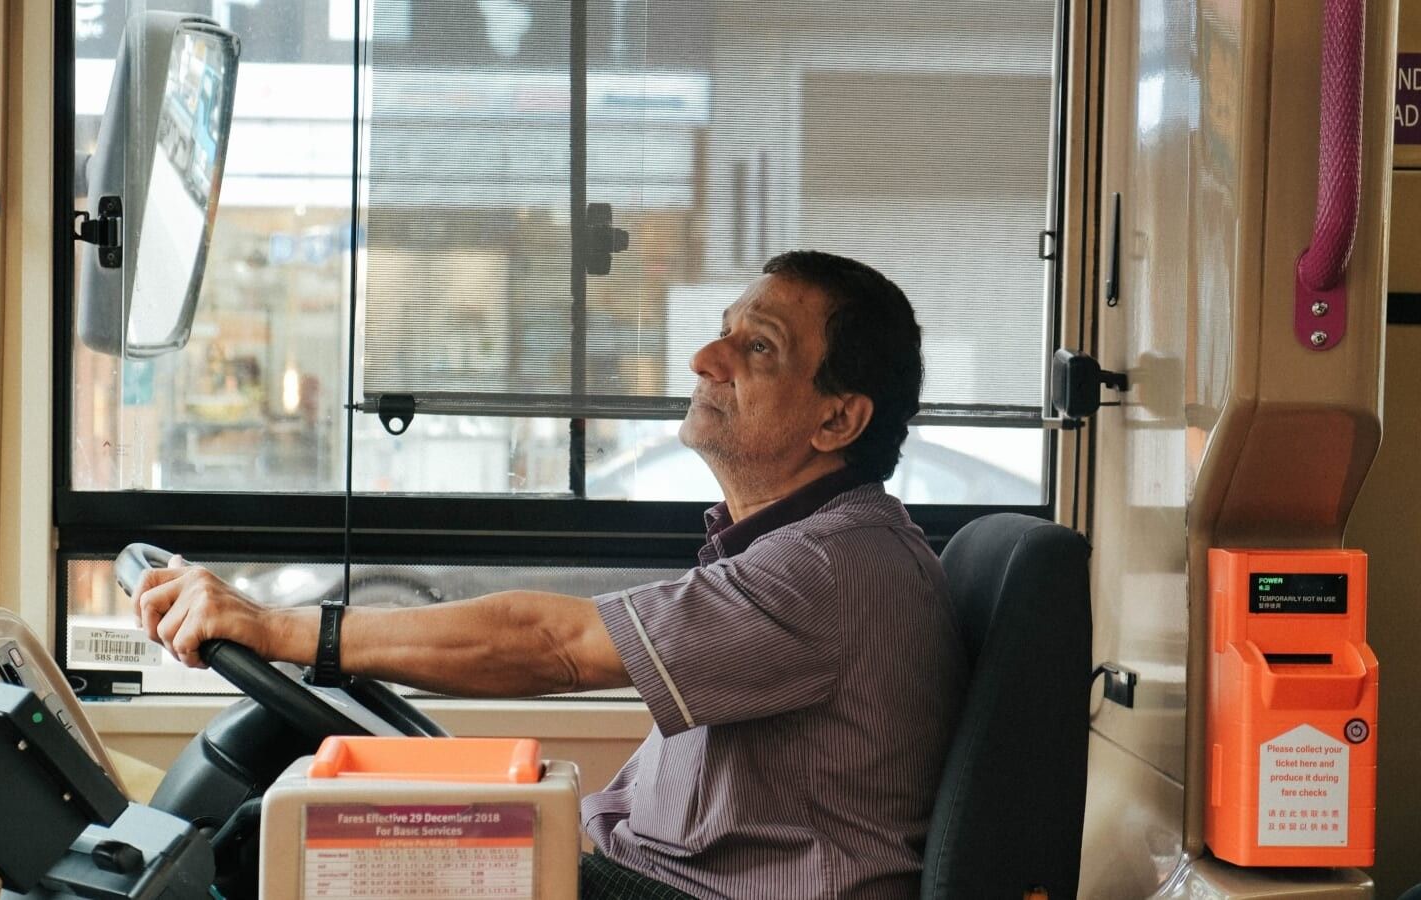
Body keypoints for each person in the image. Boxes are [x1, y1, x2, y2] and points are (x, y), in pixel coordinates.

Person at [133, 250, 969, 899]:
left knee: (259, 846)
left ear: (837, 418)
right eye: (724, 329)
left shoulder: (827, 570)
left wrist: (280, 629)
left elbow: (554, 645)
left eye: (758, 347)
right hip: (644, 877)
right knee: (295, 816)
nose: (706, 357)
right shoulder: (800, 549)